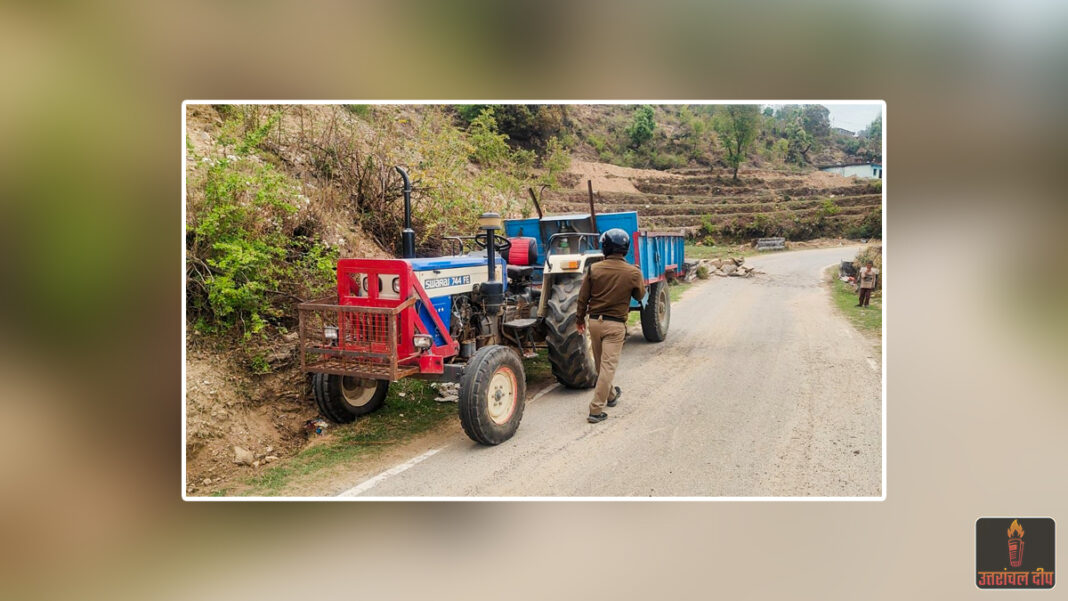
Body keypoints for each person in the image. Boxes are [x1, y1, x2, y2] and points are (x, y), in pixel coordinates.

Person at [576, 229, 645, 424]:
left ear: (605, 247)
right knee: (607, 367)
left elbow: (583, 298)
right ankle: (596, 410)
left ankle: (611, 395)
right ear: (625, 249)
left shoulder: (593, 269)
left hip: (594, 323)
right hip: (615, 326)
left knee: (600, 364)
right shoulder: (633, 272)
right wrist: (637, 277)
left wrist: (579, 319)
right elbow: (639, 296)